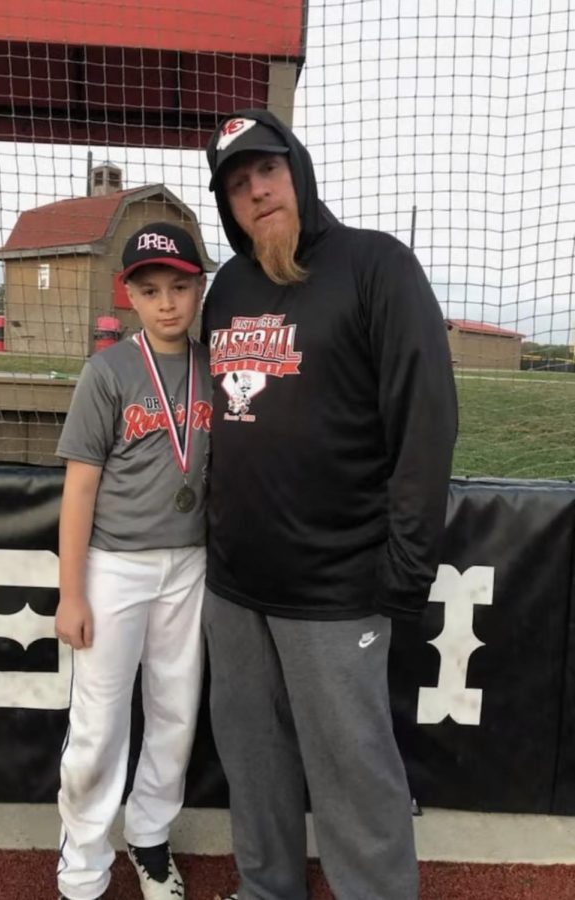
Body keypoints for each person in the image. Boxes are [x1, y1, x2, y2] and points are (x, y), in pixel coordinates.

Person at [201, 110, 458, 900]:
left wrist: (405, 569)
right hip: (236, 585)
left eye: (266, 171)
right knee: (252, 760)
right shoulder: (227, 287)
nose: (256, 192)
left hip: (337, 587)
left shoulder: (375, 265)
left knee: (353, 772)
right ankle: (265, 886)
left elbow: (425, 422)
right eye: (237, 185)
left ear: (297, 170)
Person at [54, 222, 212, 900]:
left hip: (190, 562)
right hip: (113, 564)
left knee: (175, 712)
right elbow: (80, 485)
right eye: (150, 291)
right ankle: (83, 866)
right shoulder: (109, 370)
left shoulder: (216, 365)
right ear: (129, 297)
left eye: (179, 287)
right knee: (98, 723)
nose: (167, 303)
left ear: (199, 287)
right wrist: (71, 592)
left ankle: (149, 838)